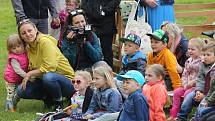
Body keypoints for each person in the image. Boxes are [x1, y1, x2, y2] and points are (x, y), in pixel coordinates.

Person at [16, 19, 75, 110]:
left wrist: (30, 74)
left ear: (35, 29)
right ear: (21, 36)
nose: (27, 34)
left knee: (49, 77)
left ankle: (58, 103)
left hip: (66, 81)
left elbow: (50, 67)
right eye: (23, 33)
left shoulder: (45, 42)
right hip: (44, 78)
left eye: (29, 30)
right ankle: (48, 99)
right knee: (21, 90)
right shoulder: (28, 47)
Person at [176, 41, 215, 121]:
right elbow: (200, 78)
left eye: (208, 55)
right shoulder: (203, 65)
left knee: (202, 106)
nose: (205, 57)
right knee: (188, 98)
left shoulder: (213, 69)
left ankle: (195, 118)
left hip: (210, 94)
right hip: (201, 90)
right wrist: (199, 90)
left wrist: (204, 96)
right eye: (204, 55)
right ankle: (181, 117)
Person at [167, 38, 205, 120]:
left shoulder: (202, 62)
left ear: (200, 50)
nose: (190, 51)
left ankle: (183, 114)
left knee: (187, 93)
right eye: (189, 49)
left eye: (193, 49)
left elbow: (201, 76)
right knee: (177, 92)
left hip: (195, 87)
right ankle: (174, 115)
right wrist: (184, 83)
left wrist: (192, 83)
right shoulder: (188, 61)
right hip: (186, 85)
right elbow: (185, 73)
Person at [81, 0, 121, 68]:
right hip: (89, 20)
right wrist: (87, 10)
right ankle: (90, 72)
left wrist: (104, 10)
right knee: (88, 47)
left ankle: (108, 74)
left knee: (107, 50)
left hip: (106, 22)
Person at [3, 34, 28, 112]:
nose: (17, 49)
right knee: (11, 93)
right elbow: (17, 70)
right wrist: (27, 76)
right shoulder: (13, 58)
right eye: (14, 48)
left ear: (22, 45)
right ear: (10, 49)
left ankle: (14, 105)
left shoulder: (24, 53)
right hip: (11, 78)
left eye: (18, 46)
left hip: (18, 78)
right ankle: (9, 108)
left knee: (18, 93)